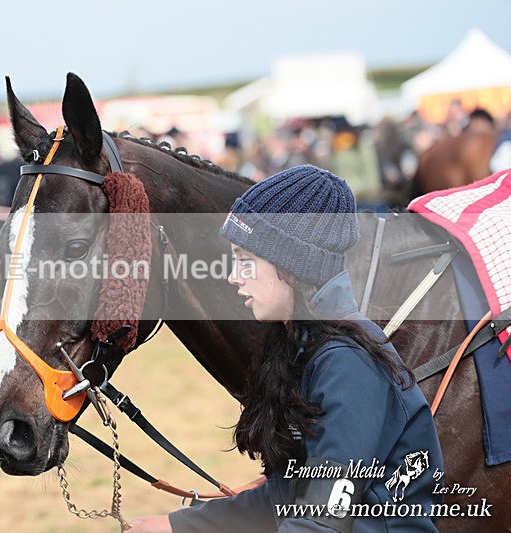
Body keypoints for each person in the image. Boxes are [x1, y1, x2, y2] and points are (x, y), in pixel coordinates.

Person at [129, 165, 444, 532]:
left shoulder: (348, 363)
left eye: (246, 261)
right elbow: (286, 494)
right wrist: (177, 526)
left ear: (293, 267)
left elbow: (323, 521)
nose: (234, 276)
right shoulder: (300, 344)